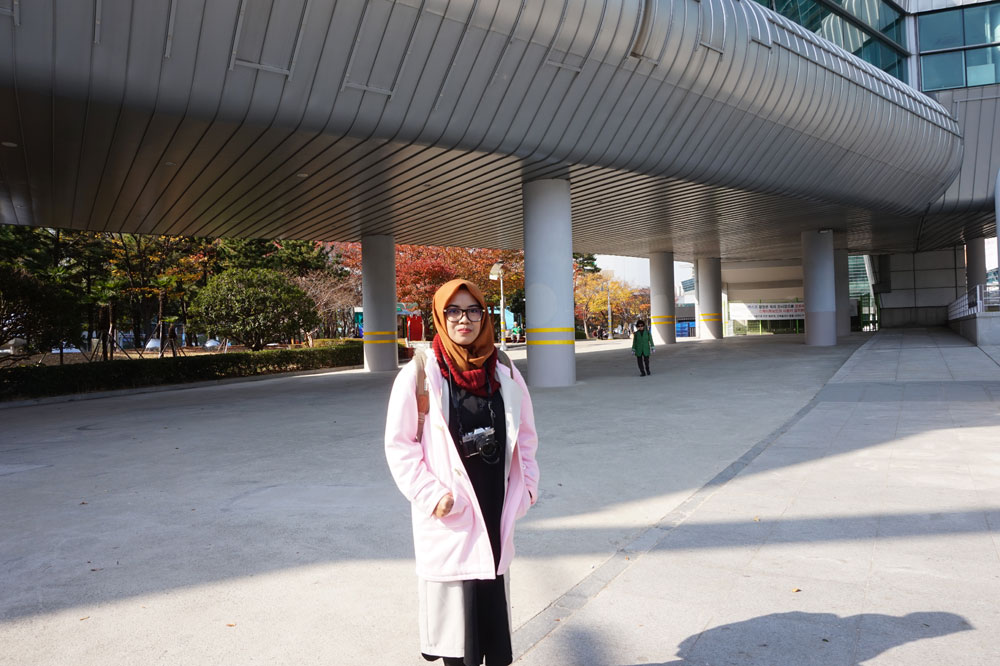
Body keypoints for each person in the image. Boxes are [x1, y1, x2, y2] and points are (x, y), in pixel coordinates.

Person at [385, 279, 540, 666]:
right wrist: (432, 496)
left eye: (473, 310)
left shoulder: (504, 370)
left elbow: (526, 436)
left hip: (494, 503)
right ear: (440, 317)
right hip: (451, 511)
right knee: (457, 639)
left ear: (484, 316)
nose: (463, 319)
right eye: (453, 311)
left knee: (492, 621)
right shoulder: (420, 374)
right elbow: (400, 445)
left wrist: (528, 488)